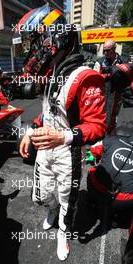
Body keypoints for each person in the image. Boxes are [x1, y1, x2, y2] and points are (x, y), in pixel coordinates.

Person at [19, 4, 107, 261]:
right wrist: (30, 130)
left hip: (68, 152)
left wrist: (63, 137)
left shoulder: (87, 76)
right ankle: (52, 209)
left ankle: (63, 233)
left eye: (36, 42)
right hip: (46, 149)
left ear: (54, 39)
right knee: (44, 192)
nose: (33, 50)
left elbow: (98, 125)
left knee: (69, 197)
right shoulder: (52, 74)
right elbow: (49, 111)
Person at [87, 63, 133, 264]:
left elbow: (92, 152)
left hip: (101, 188)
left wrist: (100, 157)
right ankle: (119, 218)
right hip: (124, 200)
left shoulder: (109, 140)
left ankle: (93, 203)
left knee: (91, 172)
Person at [94, 40, 124, 133]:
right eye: (104, 50)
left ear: (114, 49)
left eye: (108, 50)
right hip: (103, 92)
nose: (105, 53)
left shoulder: (123, 61)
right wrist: (107, 76)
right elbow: (94, 77)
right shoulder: (100, 61)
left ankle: (112, 134)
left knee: (116, 116)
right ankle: (101, 134)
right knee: (101, 114)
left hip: (118, 93)